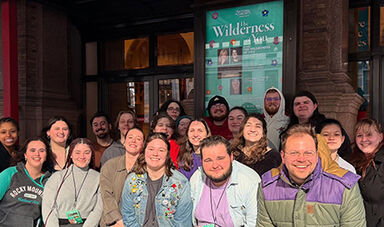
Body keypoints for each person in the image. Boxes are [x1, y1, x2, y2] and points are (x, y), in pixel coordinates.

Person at [257, 124, 366, 226]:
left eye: (308, 153)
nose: (301, 159)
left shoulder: (344, 186)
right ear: (283, 156)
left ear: (317, 155)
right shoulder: (268, 187)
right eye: (294, 153)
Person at [121, 133, 193, 226]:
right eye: (151, 149)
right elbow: (128, 217)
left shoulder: (181, 183)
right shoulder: (132, 181)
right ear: (144, 152)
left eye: (161, 150)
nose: (155, 154)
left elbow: (183, 222)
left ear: (167, 155)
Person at [191, 135, 260, 227]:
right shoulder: (197, 178)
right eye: (208, 160)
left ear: (231, 157)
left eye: (220, 158)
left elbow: (253, 223)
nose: (215, 165)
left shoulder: (250, 181)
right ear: (201, 161)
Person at [42, 138, 102, 227]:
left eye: (87, 152)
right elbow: (48, 207)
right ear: (70, 154)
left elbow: (98, 209)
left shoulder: (99, 178)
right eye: (77, 152)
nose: (82, 156)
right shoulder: (57, 177)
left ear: (92, 155)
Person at [0, 137, 52, 227]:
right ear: (25, 155)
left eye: (42, 150)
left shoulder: (49, 181)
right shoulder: (10, 173)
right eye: (32, 150)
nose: (37, 154)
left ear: (46, 156)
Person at [100, 127, 144, 227]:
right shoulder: (110, 165)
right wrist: (119, 221)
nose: (133, 141)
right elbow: (106, 196)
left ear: (143, 145)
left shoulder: (147, 168)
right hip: (112, 222)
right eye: (130, 137)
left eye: (138, 139)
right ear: (124, 142)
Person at [349, 119, 384, 227]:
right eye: (359, 135)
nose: (364, 139)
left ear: (380, 137)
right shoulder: (352, 163)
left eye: (369, 134)